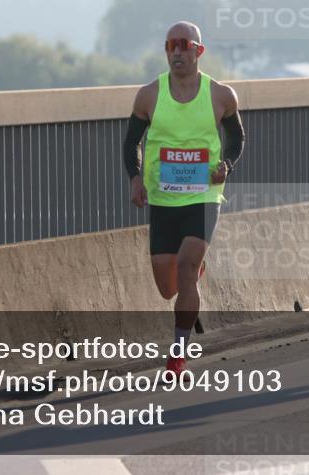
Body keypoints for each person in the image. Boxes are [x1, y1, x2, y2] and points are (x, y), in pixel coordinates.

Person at [122, 21, 244, 379]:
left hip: (204, 195)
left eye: (183, 45)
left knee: (187, 268)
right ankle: (193, 268)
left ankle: (178, 356)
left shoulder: (220, 95)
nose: (176, 51)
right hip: (163, 198)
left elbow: (237, 138)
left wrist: (226, 165)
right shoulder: (149, 95)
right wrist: (135, 179)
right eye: (170, 45)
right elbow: (131, 143)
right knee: (167, 287)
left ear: (198, 51)